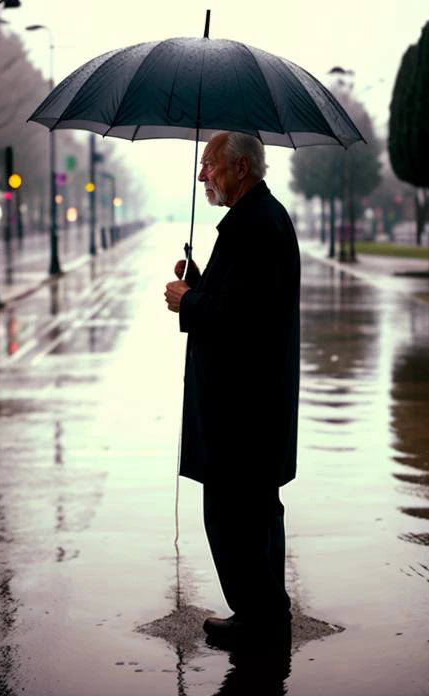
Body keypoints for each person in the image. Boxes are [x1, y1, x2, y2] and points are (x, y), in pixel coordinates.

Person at [164, 131, 300, 649]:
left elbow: (248, 319)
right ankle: (268, 612)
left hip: (240, 410)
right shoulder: (257, 220)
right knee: (256, 512)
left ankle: (258, 620)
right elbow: (242, 297)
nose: (204, 176)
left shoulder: (256, 225)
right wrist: (201, 284)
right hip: (249, 407)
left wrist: (189, 303)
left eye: (210, 166)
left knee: (233, 515)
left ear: (240, 168)